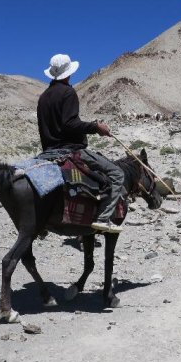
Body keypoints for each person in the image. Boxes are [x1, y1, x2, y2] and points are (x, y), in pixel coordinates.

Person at [37, 53, 126, 233]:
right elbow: (69, 123)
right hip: (69, 150)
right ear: (68, 73)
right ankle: (103, 218)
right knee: (116, 173)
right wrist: (96, 127)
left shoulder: (44, 96)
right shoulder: (68, 92)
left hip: (47, 152)